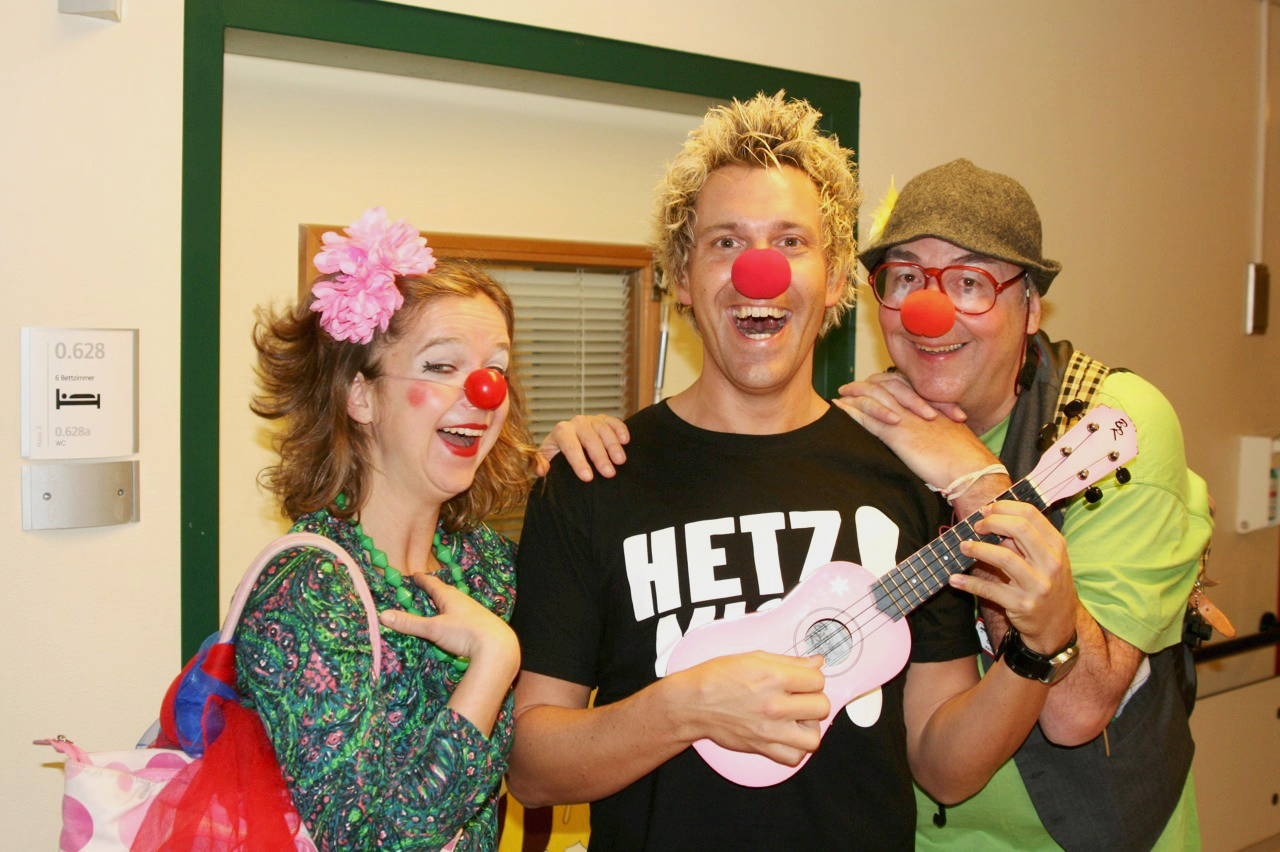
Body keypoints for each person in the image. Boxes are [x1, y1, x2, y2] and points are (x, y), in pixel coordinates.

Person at [507, 93, 1081, 850]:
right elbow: (530, 766)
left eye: (790, 241)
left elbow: (945, 768)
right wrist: (685, 708)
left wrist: (1039, 651)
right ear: (680, 276)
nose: (759, 270)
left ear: (837, 279)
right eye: (725, 243)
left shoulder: (903, 479)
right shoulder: (592, 479)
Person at [837, 158, 1213, 850]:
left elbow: (1077, 708)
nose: (929, 310)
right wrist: (593, 450)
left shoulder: (1115, 429)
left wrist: (977, 478)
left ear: (1032, 307)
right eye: (906, 279)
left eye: (971, 283)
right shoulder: (866, 425)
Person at [237, 206, 535, 850]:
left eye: (496, 368)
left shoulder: (487, 564)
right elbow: (367, 841)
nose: (484, 392)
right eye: (440, 366)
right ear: (360, 396)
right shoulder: (307, 587)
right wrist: (493, 661)